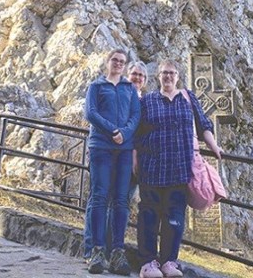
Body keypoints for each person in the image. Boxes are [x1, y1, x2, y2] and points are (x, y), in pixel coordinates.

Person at [134, 60, 223, 278]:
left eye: (171, 73)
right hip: (152, 167)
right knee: (149, 216)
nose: (168, 77)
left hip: (180, 169)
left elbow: (204, 125)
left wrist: (215, 147)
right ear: (158, 76)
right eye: (164, 73)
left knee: (174, 217)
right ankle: (148, 262)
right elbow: (136, 132)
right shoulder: (148, 101)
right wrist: (135, 160)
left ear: (178, 76)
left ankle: (169, 262)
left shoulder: (188, 98)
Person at [84, 62, 148, 261]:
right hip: (108, 151)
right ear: (127, 75)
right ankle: (92, 248)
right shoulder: (117, 92)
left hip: (130, 159)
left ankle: (112, 249)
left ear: (145, 81)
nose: (137, 78)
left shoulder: (142, 101)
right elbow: (94, 114)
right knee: (99, 198)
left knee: (121, 203)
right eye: (134, 74)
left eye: (141, 76)